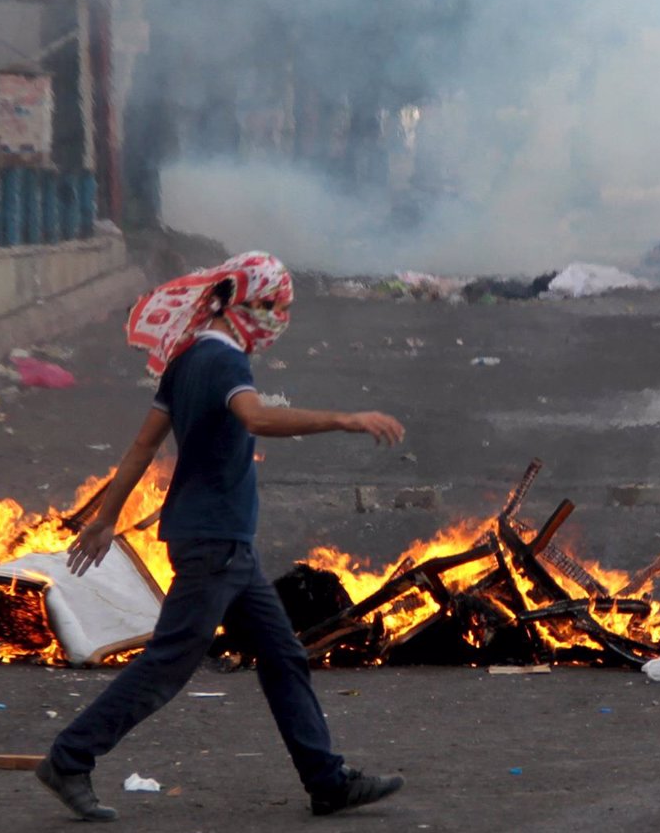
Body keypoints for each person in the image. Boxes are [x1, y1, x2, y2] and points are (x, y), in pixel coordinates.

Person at [36, 252, 407, 822]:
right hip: (214, 544)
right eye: (277, 309)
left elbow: (142, 446)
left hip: (224, 544)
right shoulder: (222, 361)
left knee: (284, 656)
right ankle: (69, 758)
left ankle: (327, 781)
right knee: (167, 664)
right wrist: (346, 418)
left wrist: (108, 518)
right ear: (250, 306)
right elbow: (257, 418)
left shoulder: (186, 359)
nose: (280, 321)